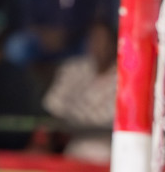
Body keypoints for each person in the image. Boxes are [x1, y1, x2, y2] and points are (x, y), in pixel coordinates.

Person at [42, 19, 117, 163]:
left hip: (109, 153)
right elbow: (54, 107)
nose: (100, 45)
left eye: (105, 40)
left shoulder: (126, 77)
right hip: (73, 149)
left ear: (114, 44)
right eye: (95, 40)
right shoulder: (73, 70)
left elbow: (111, 120)